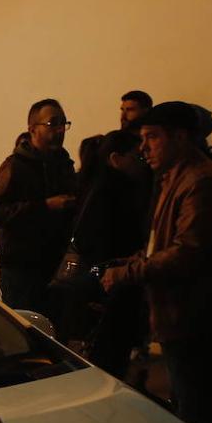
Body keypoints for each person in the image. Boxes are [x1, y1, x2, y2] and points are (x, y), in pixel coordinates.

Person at [101, 102, 212, 423]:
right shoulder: (174, 178)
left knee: (197, 414)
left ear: (180, 137)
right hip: (176, 311)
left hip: (195, 312)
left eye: (152, 137)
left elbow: (187, 253)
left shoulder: (201, 182)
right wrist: (130, 262)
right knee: (191, 402)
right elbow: (162, 243)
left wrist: (127, 274)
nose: (144, 147)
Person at [66, 130, 152, 376]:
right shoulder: (117, 190)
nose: (143, 159)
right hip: (111, 280)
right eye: (136, 156)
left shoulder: (97, 185)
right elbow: (104, 240)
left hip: (105, 278)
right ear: (116, 158)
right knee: (110, 355)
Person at [0, 98, 78, 313]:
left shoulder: (64, 164)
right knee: (27, 333)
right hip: (21, 269)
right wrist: (45, 206)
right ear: (32, 129)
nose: (60, 129)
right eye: (52, 123)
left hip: (57, 264)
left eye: (63, 123)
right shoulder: (14, 166)